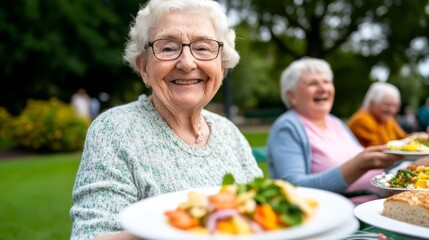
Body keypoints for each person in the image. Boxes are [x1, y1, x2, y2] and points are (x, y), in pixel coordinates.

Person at [69, 1, 263, 239]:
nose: (187, 63)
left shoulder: (229, 133)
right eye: (168, 48)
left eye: (203, 48)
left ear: (221, 68)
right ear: (144, 68)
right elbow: (91, 235)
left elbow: (263, 217)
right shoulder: (115, 130)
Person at [266, 57, 403, 205]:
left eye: (326, 82)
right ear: (291, 96)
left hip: (376, 207)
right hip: (342, 219)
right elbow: (293, 187)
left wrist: (413, 159)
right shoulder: (288, 127)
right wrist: (358, 166)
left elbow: (375, 166)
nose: (323, 88)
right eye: (313, 83)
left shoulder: (336, 123)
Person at [348, 82, 407, 147]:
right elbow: (376, 150)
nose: (392, 110)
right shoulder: (362, 120)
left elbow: (403, 138)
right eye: (386, 105)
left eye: (395, 106)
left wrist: (416, 137)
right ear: (372, 103)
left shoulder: (387, 120)